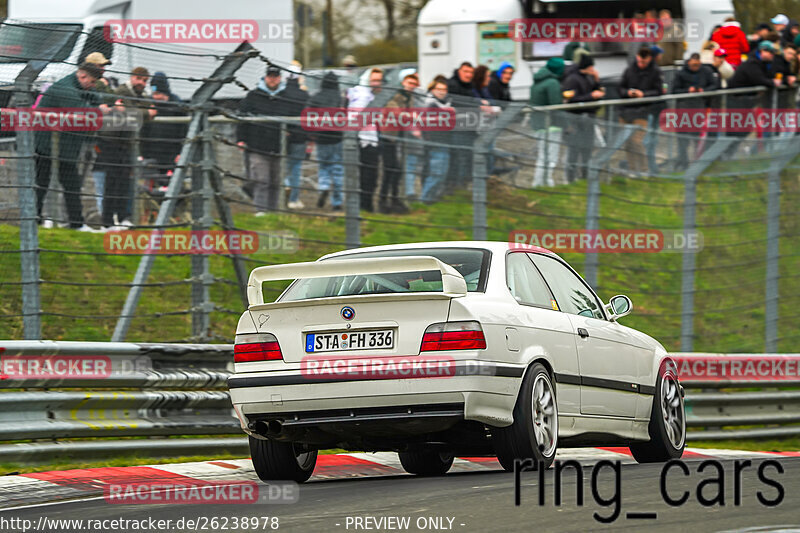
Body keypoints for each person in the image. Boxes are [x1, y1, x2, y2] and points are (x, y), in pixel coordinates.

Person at [34, 63, 105, 230]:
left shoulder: (79, 87)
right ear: (82, 77)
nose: (93, 86)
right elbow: (82, 111)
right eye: (92, 82)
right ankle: (34, 220)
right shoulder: (64, 89)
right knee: (41, 184)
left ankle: (76, 223)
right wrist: (100, 110)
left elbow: (95, 98)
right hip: (47, 145)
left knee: (70, 185)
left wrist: (97, 106)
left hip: (64, 146)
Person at [100, 66, 156, 229]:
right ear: (132, 77)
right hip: (113, 141)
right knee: (112, 181)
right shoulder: (122, 91)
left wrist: (138, 112)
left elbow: (143, 111)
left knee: (125, 181)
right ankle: (107, 220)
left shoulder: (143, 95)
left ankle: (123, 217)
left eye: (145, 81)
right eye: (139, 79)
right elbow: (127, 114)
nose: (141, 83)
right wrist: (144, 114)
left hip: (128, 143)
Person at [236, 66, 287, 215]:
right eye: (270, 76)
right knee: (261, 179)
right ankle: (260, 210)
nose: (272, 79)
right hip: (257, 145)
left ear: (279, 78)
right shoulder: (253, 96)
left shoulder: (286, 97)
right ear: (265, 77)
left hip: (279, 145)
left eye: (275, 76)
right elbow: (242, 118)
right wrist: (241, 139)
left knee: (276, 181)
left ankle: (273, 210)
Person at [618, 47, 664, 175]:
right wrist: (628, 92)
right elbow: (620, 88)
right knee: (627, 143)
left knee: (637, 142)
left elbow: (658, 92)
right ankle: (632, 169)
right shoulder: (629, 70)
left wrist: (644, 94)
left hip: (643, 111)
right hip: (626, 112)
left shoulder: (655, 72)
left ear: (649, 59)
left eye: (644, 62)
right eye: (639, 61)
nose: (641, 65)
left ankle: (644, 169)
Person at [561, 54, 604, 182]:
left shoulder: (590, 78)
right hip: (576, 119)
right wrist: (591, 96)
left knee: (587, 149)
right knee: (574, 150)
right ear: (587, 66)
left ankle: (585, 176)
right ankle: (571, 178)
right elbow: (570, 100)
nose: (593, 69)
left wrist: (597, 81)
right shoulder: (572, 80)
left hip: (589, 118)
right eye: (591, 66)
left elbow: (597, 92)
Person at [382, 73, 421, 213]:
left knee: (397, 170)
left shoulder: (409, 98)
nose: (411, 86)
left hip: (399, 136)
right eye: (409, 83)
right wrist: (411, 116)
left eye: (414, 84)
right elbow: (394, 111)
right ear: (403, 82)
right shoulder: (395, 95)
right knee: (390, 169)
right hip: (387, 136)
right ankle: (383, 200)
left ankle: (394, 198)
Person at [672, 53, 719, 169]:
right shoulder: (680, 73)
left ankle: (698, 162)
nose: (695, 67)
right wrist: (688, 91)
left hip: (699, 109)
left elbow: (714, 85)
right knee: (682, 139)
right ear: (689, 63)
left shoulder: (706, 71)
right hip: (683, 110)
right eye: (693, 65)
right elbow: (674, 90)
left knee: (698, 137)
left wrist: (703, 90)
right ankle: (683, 162)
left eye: (697, 65)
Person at [347, 67, 383, 212]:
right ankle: (364, 205)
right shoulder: (362, 96)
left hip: (372, 138)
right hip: (363, 140)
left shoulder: (373, 95)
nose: (376, 83)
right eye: (373, 80)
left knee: (371, 175)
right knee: (366, 175)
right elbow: (357, 118)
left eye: (379, 80)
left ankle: (366, 204)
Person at [308, 72, 345, 211]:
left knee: (323, 167)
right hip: (337, 137)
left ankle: (323, 187)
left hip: (322, 138)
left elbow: (308, 116)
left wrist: (311, 135)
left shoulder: (316, 97)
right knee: (338, 169)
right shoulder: (340, 97)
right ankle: (337, 201)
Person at [140, 72, 187, 178]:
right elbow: (144, 131)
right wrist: (143, 153)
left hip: (172, 153)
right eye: (154, 94)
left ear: (165, 92)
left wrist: (181, 153)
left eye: (158, 94)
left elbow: (184, 131)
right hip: (153, 154)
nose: (155, 97)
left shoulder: (177, 105)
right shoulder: (149, 105)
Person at [529, 57, 564, 187]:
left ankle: (538, 182)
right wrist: (567, 125)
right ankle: (545, 182)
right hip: (550, 125)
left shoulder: (538, 80)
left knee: (541, 155)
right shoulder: (552, 83)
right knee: (550, 157)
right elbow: (557, 106)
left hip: (538, 123)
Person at [446, 62, 479, 189]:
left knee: (467, 157)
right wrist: (477, 106)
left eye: (471, 72)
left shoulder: (470, 86)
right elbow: (459, 103)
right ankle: (456, 185)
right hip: (457, 128)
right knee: (459, 158)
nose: (468, 75)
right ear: (459, 71)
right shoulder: (453, 85)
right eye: (466, 72)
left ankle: (462, 184)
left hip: (469, 127)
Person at [421, 77, 453, 203]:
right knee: (437, 173)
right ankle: (425, 199)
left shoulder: (447, 103)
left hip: (445, 141)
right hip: (435, 142)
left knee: (443, 173)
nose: (442, 92)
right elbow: (425, 121)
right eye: (438, 89)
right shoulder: (429, 103)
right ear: (432, 89)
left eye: (444, 89)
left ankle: (432, 199)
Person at [281, 64, 309, 210]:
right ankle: (294, 199)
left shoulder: (281, 94)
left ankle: (285, 185)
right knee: (296, 168)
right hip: (300, 136)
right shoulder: (304, 95)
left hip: (283, 134)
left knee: (282, 165)